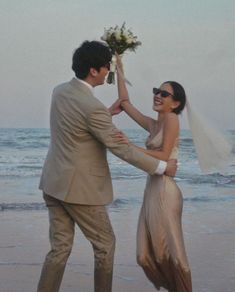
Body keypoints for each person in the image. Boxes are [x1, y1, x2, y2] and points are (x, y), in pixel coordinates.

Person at [37, 41, 177, 292]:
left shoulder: (60, 91)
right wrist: (161, 167)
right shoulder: (92, 108)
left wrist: (106, 114)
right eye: (106, 68)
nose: (107, 73)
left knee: (59, 250)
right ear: (94, 71)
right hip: (79, 189)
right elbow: (120, 148)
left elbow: (75, 121)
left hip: (52, 182)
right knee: (105, 245)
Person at [111, 54, 192, 292]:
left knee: (175, 255)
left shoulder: (172, 119)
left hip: (166, 192)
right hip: (151, 190)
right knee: (144, 255)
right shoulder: (153, 124)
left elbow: (166, 156)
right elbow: (124, 103)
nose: (158, 95)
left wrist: (130, 147)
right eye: (157, 90)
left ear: (175, 103)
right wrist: (119, 67)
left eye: (164, 94)